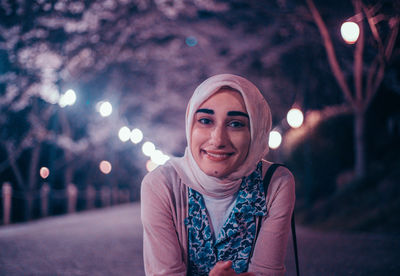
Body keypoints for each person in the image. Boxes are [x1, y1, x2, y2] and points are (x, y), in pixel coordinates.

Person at [141, 74, 295, 276]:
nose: (218, 139)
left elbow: (268, 273)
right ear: (190, 125)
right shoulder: (162, 184)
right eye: (205, 120)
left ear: (256, 131)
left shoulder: (275, 183)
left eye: (236, 124)